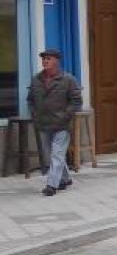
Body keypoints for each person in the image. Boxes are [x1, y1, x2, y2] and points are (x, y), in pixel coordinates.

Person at [26, 49, 82, 197]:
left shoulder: (68, 79)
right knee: (50, 154)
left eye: (48, 59)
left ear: (56, 61)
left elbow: (76, 101)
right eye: (43, 59)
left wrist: (66, 115)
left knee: (56, 154)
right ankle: (65, 178)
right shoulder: (36, 79)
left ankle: (51, 185)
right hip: (43, 124)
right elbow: (30, 99)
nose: (45, 62)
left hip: (61, 124)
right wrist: (34, 114)